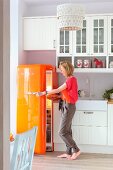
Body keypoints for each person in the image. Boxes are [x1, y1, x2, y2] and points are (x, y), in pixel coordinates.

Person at [36, 61, 80, 160]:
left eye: (62, 70)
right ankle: (68, 153)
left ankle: (76, 150)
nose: (61, 72)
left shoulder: (70, 80)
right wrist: (58, 97)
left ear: (67, 69)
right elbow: (64, 93)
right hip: (66, 105)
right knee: (67, 131)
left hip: (69, 106)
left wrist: (43, 93)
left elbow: (58, 90)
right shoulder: (70, 79)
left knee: (62, 132)